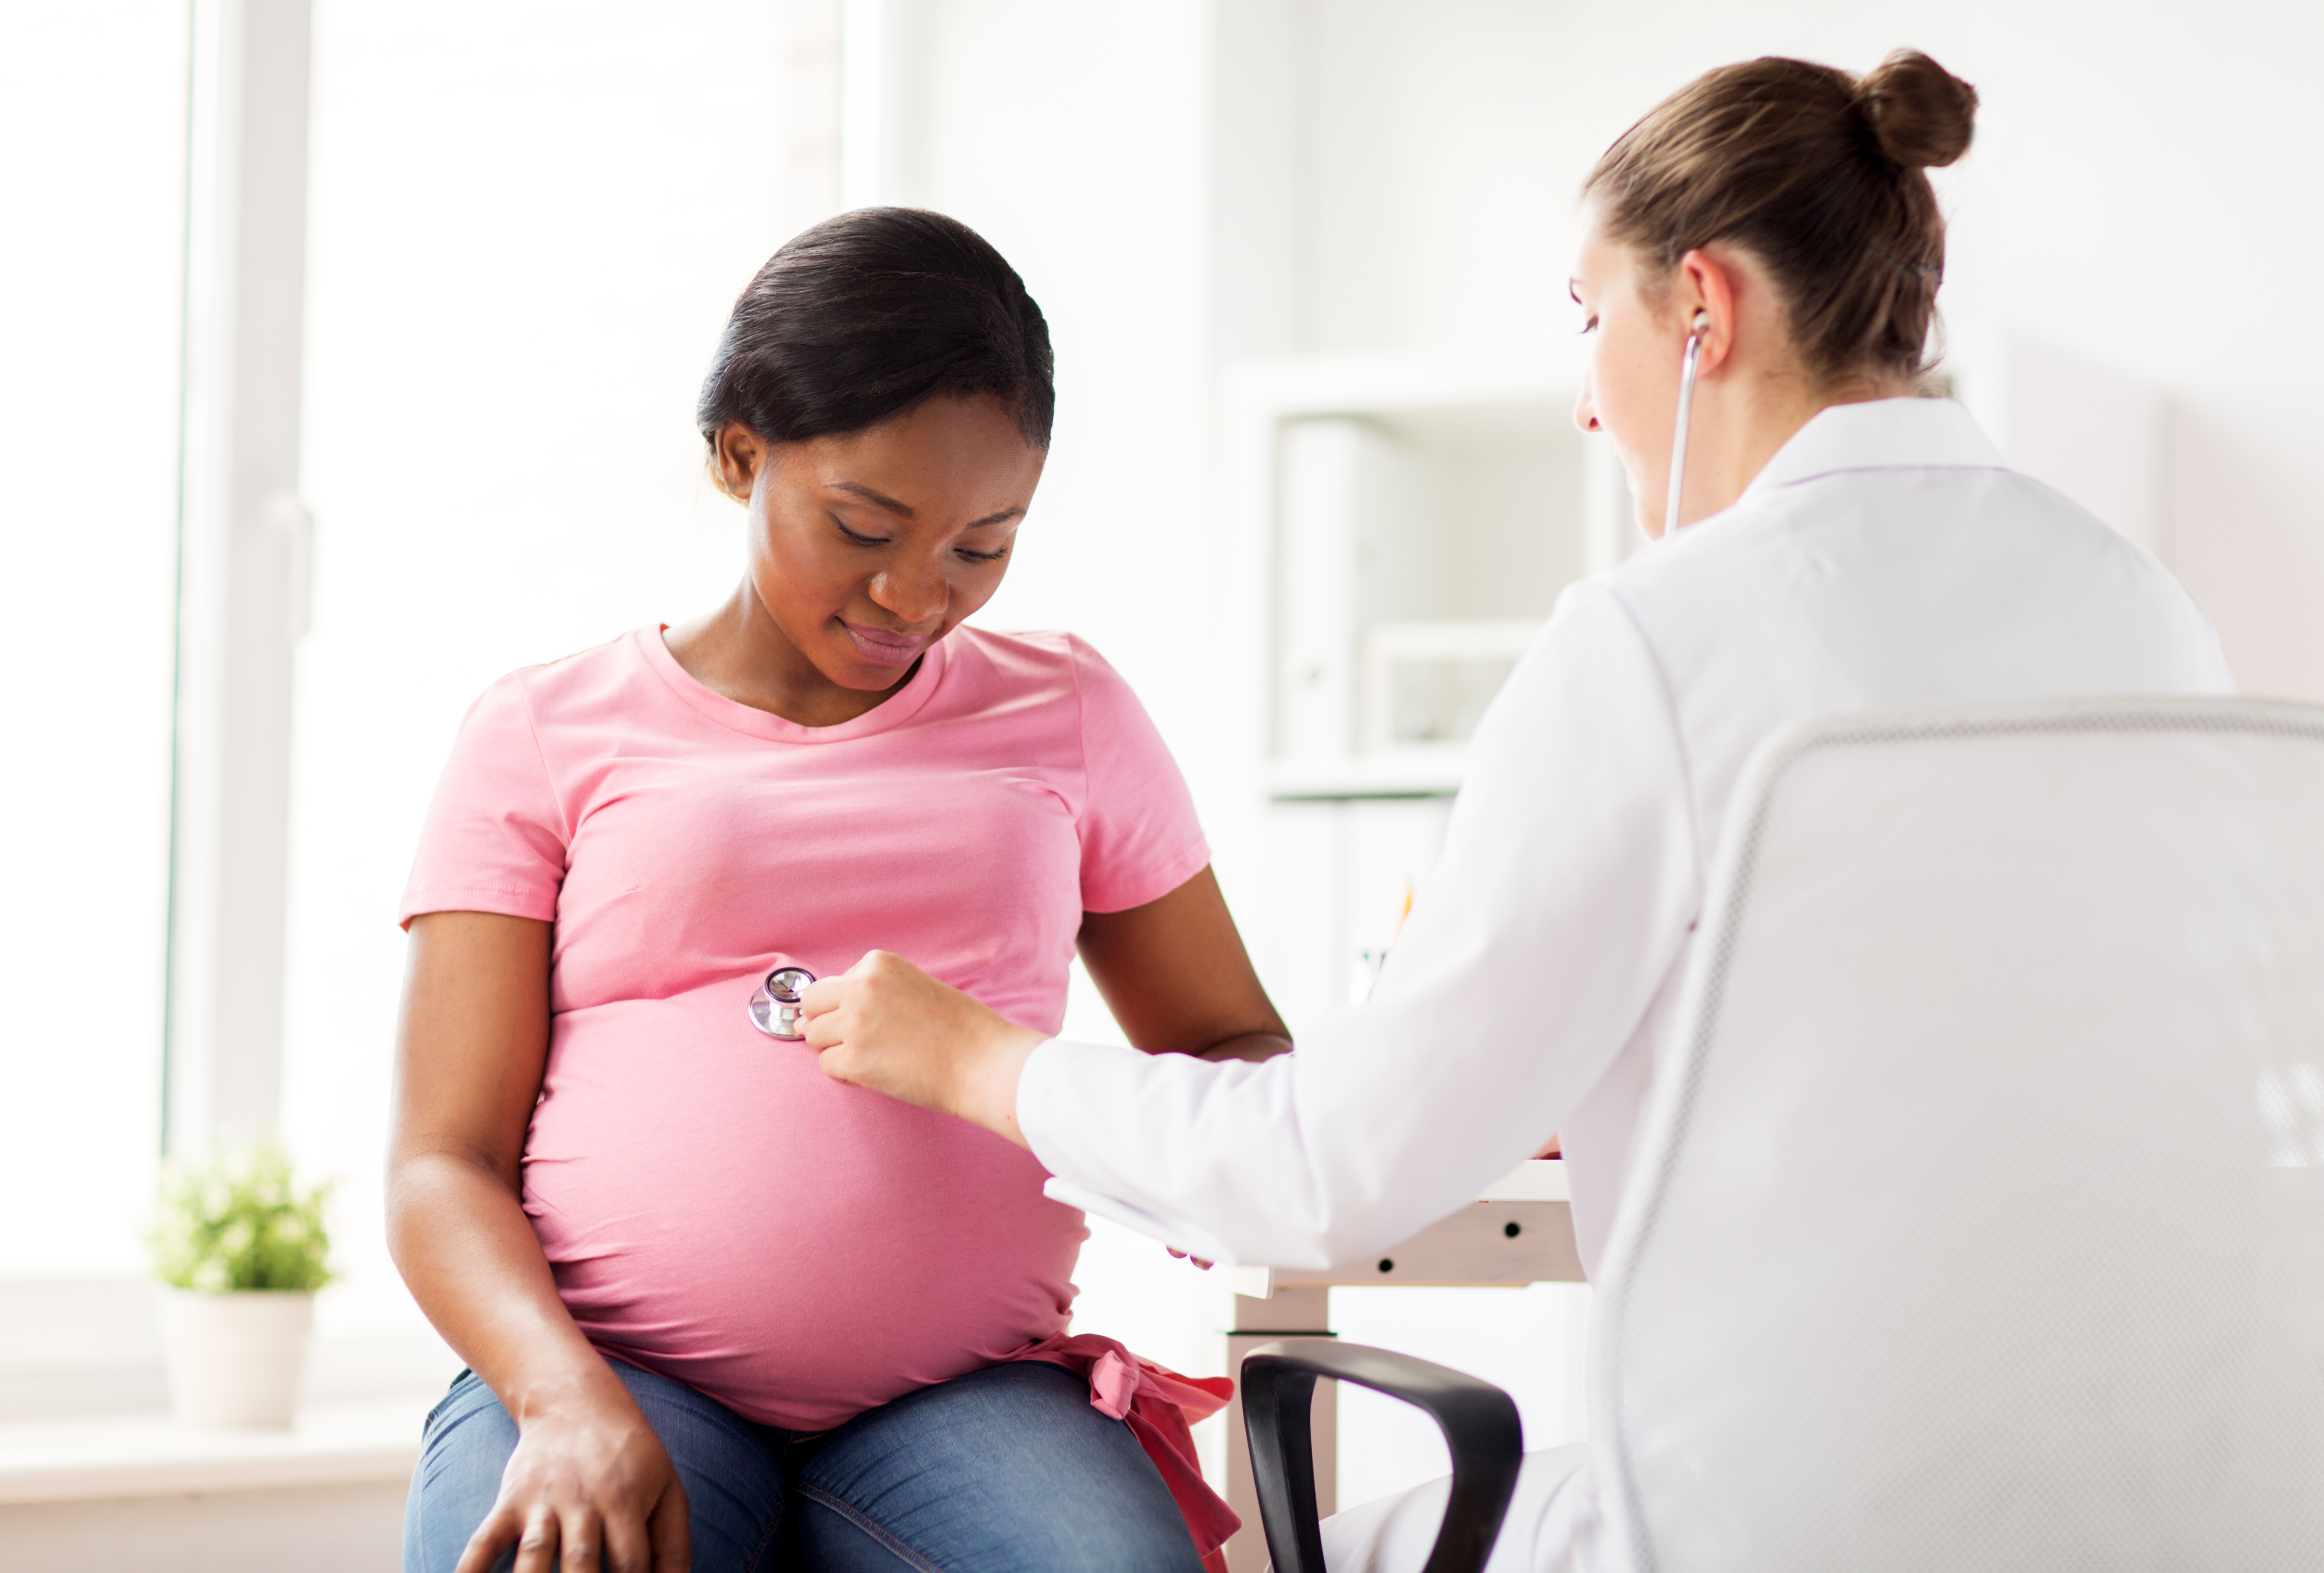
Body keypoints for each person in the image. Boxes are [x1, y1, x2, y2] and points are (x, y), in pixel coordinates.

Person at [795, 52, 2237, 1573]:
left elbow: (1323, 1174)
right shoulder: (2144, 611)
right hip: (2158, 1507)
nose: (1582, 398)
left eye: (1588, 315)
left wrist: (985, 1061)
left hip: (1760, 1523)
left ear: (1703, 308)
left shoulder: (1660, 636)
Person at [387, 208, 1290, 1573]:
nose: (916, 594)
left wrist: (1027, 1082)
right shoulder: (543, 729)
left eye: (982, 547)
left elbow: (1238, 1054)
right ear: (741, 451)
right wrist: (561, 1396)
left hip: (970, 1396)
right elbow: (438, 1160)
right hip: (619, 1370)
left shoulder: (1073, 711)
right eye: (865, 524)